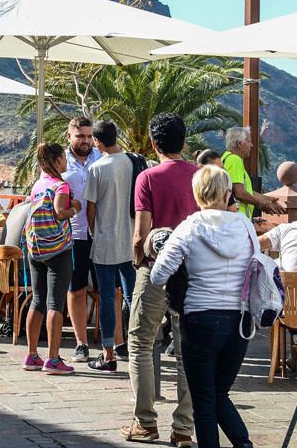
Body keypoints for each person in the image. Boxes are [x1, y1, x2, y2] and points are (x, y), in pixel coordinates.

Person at [151, 165, 257, 448]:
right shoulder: (246, 227)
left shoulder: (189, 228)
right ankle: (243, 444)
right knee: (219, 392)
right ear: (227, 194)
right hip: (240, 321)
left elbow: (158, 275)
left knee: (204, 399)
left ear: (197, 194)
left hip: (200, 319)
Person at [122, 113, 197, 447]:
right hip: (193, 271)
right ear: (185, 140)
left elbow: (141, 234)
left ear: (154, 143)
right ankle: (183, 428)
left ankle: (145, 422)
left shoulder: (148, 178)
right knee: (186, 351)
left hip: (155, 268)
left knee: (140, 341)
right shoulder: (202, 176)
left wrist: (140, 262)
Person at [22, 142, 81, 375]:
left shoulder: (38, 184)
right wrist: (74, 207)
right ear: (57, 160)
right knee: (55, 303)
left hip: (35, 249)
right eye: (64, 158)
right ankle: (53, 359)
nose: (66, 162)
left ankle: (32, 354)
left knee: (37, 300)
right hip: (58, 249)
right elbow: (59, 212)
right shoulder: (60, 186)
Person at [84, 120, 136, 371]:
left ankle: (108, 354)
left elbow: (90, 207)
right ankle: (139, 349)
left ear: (97, 141)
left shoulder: (97, 168)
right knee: (133, 297)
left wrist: (95, 231)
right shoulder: (134, 162)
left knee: (106, 298)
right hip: (132, 239)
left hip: (105, 241)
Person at [62, 116, 102, 362]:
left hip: (100, 233)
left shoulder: (101, 157)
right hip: (74, 234)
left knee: (108, 290)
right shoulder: (60, 162)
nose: (86, 141)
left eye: (89, 136)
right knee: (75, 289)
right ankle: (81, 343)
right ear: (69, 136)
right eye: (80, 136)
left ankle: (113, 340)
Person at [222, 127, 284, 219]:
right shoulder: (235, 160)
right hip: (238, 219)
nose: (251, 145)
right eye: (248, 141)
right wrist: (261, 204)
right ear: (239, 143)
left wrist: (267, 199)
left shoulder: (227, 158)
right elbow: (239, 193)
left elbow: (245, 191)